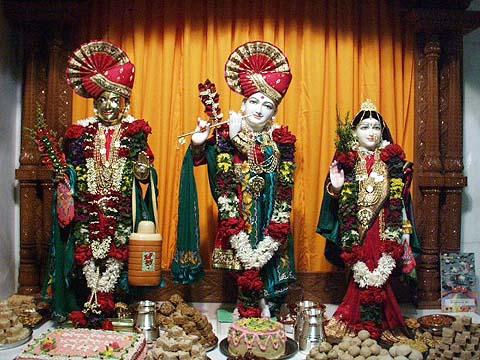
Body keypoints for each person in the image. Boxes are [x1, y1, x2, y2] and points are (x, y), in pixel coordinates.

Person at [172, 41, 296, 317]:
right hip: (237, 210)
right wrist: (199, 143)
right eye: (253, 101)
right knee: (242, 253)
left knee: (269, 251)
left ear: (274, 114)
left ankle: (266, 302)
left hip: (268, 211)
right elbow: (205, 161)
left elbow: (280, 177)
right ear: (242, 104)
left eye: (268, 105)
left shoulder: (279, 142)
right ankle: (245, 302)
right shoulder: (226, 135)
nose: (259, 109)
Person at [42, 41, 157, 328]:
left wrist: (143, 170)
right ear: (95, 103)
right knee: (86, 249)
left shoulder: (134, 133)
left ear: (125, 103)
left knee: (118, 250)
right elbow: (71, 168)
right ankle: (87, 299)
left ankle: (116, 299)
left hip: (120, 207)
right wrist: (64, 177)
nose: (108, 105)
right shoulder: (80, 134)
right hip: (87, 206)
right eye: (102, 100)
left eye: (114, 100)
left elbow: (145, 175)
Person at [317, 100, 420, 338]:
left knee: (380, 271)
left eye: (376, 127)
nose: (371, 132)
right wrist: (335, 187)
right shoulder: (347, 160)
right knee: (360, 271)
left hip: (385, 227)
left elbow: (402, 201)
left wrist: (404, 230)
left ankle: (383, 320)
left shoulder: (394, 164)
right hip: (356, 228)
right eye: (365, 127)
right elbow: (332, 196)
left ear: (383, 132)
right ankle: (357, 318)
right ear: (354, 132)